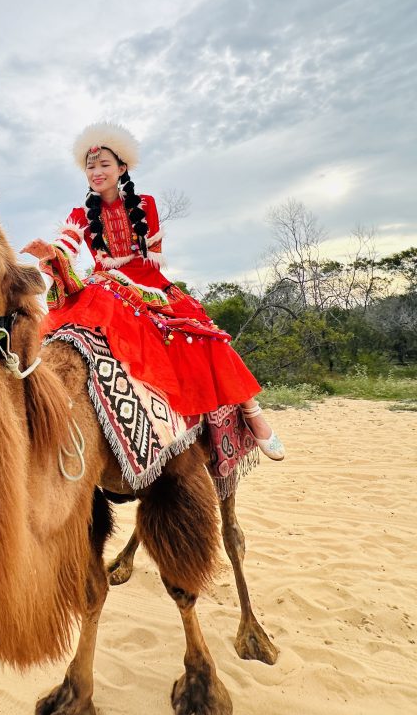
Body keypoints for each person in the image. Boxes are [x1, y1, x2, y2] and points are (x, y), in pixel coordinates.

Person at [22, 122, 285, 461]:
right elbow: (68, 241)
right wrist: (52, 251)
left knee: (204, 335)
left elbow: (154, 262)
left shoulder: (145, 204)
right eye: (91, 166)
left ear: (121, 168)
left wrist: (142, 290)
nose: (97, 171)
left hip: (148, 282)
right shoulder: (80, 213)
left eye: (104, 164)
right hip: (104, 284)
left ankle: (252, 412)